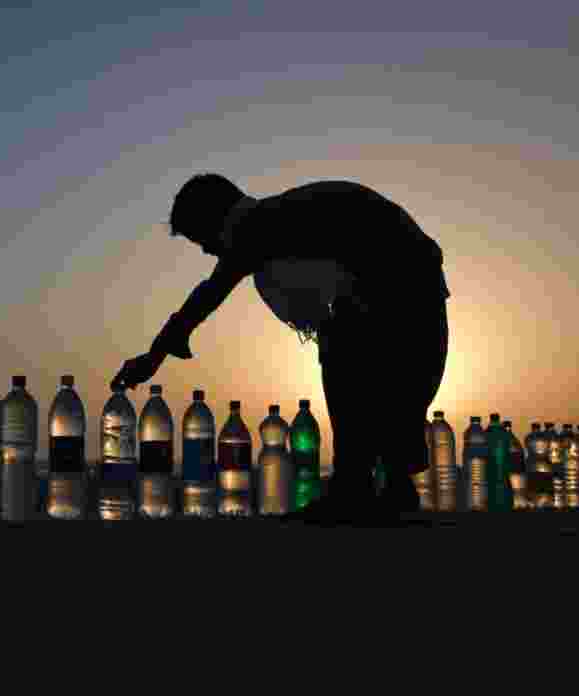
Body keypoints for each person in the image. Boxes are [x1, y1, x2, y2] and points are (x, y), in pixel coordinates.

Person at [110, 173, 450, 524]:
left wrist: (155, 354)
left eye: (202, 240)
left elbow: (210, 291)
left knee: (343, 343)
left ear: (217, 219)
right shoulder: (278, 218)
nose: (209, 250)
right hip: (418, 293)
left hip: (404, 294)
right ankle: (388, 484)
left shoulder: (257, 224)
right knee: (371, 368)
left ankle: (356, 487)